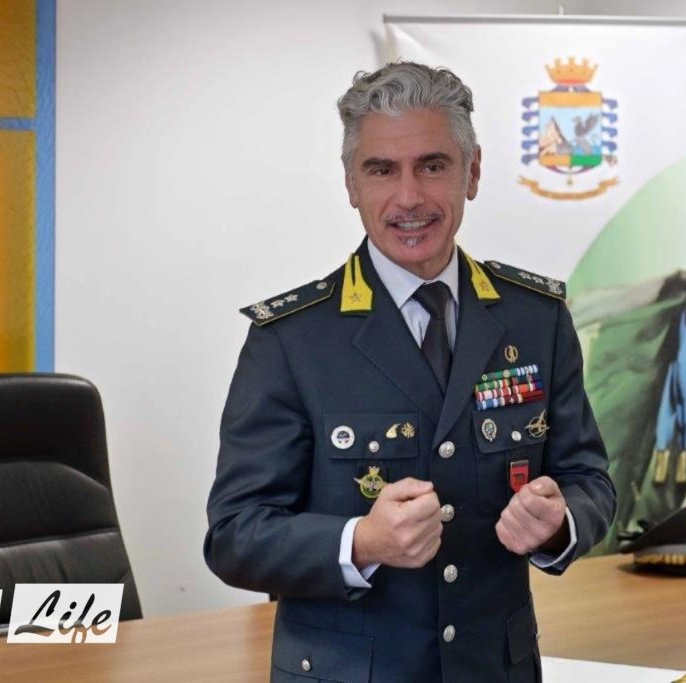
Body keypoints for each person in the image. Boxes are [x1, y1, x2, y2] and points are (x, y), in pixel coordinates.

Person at [204, 61, 616, 682]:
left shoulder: (536, 319)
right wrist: (361, 543)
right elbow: (235, 535)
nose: (409, 198)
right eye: (381, 170)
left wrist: (560, 523)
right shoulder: (290, 339)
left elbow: (588, 478)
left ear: (472, 172)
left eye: (432, 165)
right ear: (351, 183)